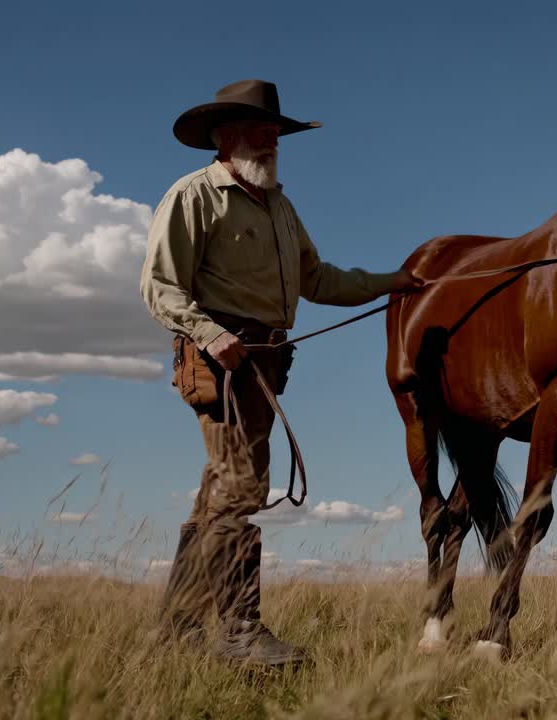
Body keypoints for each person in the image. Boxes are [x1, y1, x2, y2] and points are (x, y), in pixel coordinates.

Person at [139, 78, 421, 667]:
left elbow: (321, 281)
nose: (272, 141)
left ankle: (179, 628)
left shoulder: (282, 208)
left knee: (219, 492)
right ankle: (240, 632)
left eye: (276, 133)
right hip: (220, 361)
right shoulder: (193, 196)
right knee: (242, 487)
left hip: (267, 362)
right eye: (259, 131)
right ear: (225, 137)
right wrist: (212, 336)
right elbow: (160, 286)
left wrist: (393, 281)